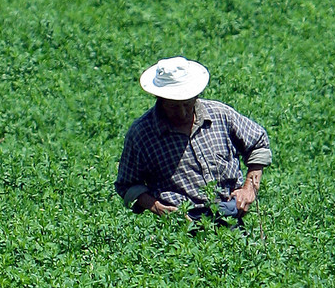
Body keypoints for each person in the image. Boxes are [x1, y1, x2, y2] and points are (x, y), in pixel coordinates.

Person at [114, 57, 271, 221]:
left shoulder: (220, 114)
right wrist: (156, 207)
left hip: (232, 215)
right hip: (181, 224)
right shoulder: (142, 133)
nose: (182, 113)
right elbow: (127, 185)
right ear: (159, 99)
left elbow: (258, 144)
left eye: (187, 104)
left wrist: (249, 188)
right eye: (174, 106)